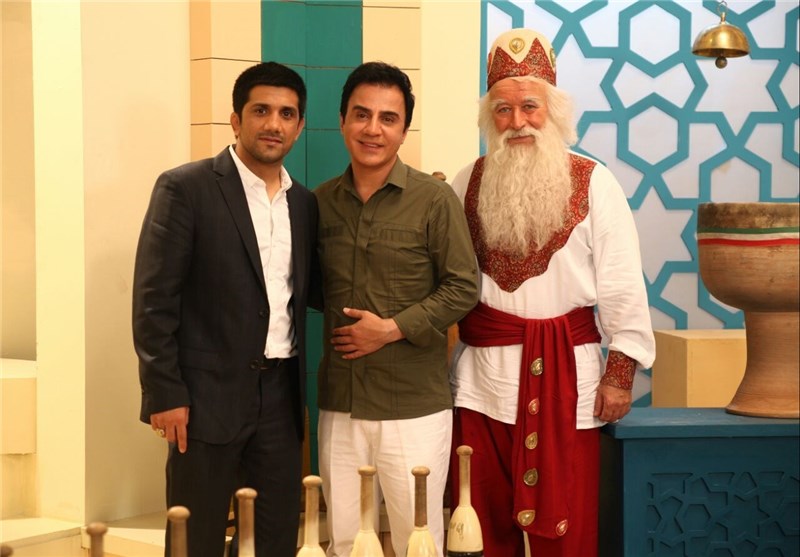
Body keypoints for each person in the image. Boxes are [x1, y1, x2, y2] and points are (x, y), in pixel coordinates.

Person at [448, 28, 656, 557]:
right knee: (479, 528)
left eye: (529, 106)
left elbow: (623, 285)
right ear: (489, 117)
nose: (517, 122)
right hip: (480, 385)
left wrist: (619, 376)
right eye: (503, 110)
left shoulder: (595, 182)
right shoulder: (464, 182)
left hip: (570, 385)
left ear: (553, 111)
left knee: (567, 534)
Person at [132, 61, 318, 557]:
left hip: (281, 397)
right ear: (235, 120)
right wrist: (164, 392)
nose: (273, 123)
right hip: (203, 399)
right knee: (196, 539)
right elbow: (154, 300)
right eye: (261, 110)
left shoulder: (304, 204)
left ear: (300, 126)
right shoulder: (186, 188)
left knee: (275, 538)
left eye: (286, 113)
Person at [314, 61, 479, 557]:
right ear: (342, 120)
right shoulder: (318, 203)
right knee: (345, 539)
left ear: (404, 130)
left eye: (388, 118)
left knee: (418, 540)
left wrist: (391, 329)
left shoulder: (434, 200)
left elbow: (464, 287)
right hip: (340, 402)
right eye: (361, 114)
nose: (373, 129)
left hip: (413, 407)